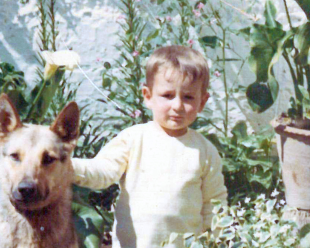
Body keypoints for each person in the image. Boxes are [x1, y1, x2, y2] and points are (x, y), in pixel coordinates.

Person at [70, 45, 228, 247]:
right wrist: (67, 166)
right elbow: (102, 171)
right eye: (167, 95)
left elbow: (214, 205)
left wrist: (217, 241)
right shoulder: (133, 139)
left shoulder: (204, 151)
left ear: (202, 102)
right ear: (147, 96)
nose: (177, 106)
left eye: (188, 97)